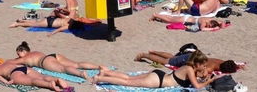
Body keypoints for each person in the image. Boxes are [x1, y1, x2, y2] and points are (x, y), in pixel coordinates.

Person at [92, 50, 220, 89]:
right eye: (202, 65)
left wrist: (204, 77)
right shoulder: (190, 70)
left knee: (128, 77)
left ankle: (106, 72)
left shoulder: (188, 67)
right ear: (196, 64)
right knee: (127, 82)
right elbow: (197, 86)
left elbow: (194, 80)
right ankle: (99, 78)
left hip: (158, 75)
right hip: (157, 81)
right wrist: (209, 81)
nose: (204, 67)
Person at [12, 41, 105, 80]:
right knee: (76, 64)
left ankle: (81, 74)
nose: (18, 56)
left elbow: (12, 62)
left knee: (64, 69)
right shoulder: (35, 52)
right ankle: (98, 67)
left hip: (45, 61)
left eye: (18, 54)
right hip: (53, 55)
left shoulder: (25, 58)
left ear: (23, 51)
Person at [9, 0, 80, 36]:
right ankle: (18, 23)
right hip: (53, 22)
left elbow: (69, 12)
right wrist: (52, 33)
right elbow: (60, 28)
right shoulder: (69, 23)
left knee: (37, 23)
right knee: (36, 23)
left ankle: (19, 22)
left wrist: (61, 10)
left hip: (53, 20)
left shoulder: (69, 1)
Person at [0, 59, 70, 91]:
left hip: (14, 73)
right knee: (42, 77)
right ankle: (56, 80)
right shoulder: (7, 62)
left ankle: (50, 85)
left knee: (32, 81)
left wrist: (7, 82)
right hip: (25, 68)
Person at [134, 50, 240, 75]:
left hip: (195, 55)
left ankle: (154, 51)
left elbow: (233, 64)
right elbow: (200, 73)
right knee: (167, 61)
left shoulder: (222, 62)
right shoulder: (212, 68)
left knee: (174, 58)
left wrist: (237, 66)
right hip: (191, 59)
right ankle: (145, 55)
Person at [150, 13, 227, 31]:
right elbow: (202, 29)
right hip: (185, 20)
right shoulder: (204, 22)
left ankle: (157, 16)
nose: (208, 26)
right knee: (169, 20)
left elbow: (222, 23)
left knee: (170, 18)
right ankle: (155, 15)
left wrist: (219, 25)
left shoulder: (209, 19)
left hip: (186, 18)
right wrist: (212, 29)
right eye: (209, 26)